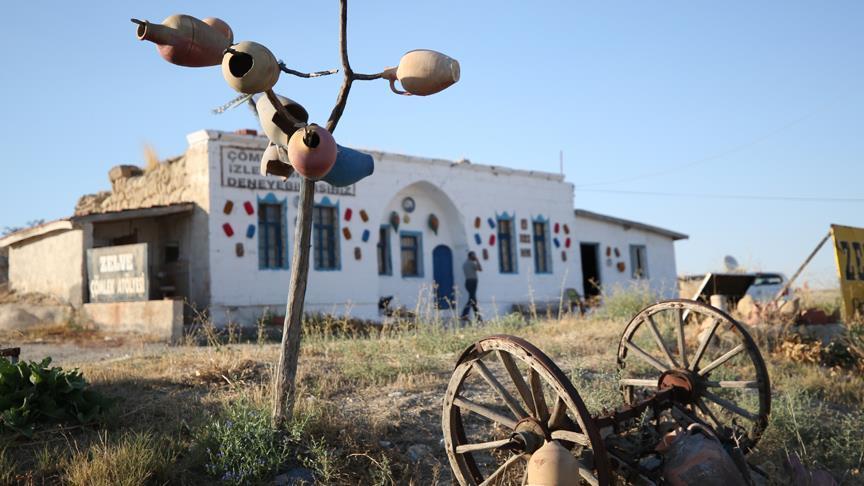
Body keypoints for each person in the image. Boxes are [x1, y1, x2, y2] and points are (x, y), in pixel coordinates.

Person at [461, 251, 482, 321]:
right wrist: (477, 260)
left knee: (473, 300)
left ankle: (478, 317)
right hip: (472, 282)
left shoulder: (465, 264)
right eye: (474, 256)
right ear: (471, 256)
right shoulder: (471, 263)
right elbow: (480, 269)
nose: (474, 257)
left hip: (467, 282)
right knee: (471, 299)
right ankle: (464, 314)